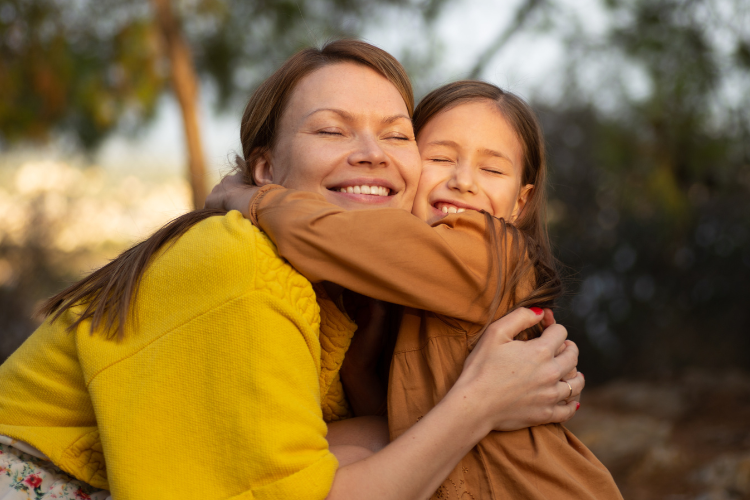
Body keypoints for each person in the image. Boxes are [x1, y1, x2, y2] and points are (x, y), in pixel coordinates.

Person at [0, 40, 582, 500]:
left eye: (396, 135)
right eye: (331, 129)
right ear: (267, 166)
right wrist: (481, 402)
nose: (372, 153)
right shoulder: (239, 263)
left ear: (524, 200)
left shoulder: (360, 295)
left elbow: (377, 434)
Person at [208, 80, 623, 499]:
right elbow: (405, 422)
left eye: (492, 169)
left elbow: (334, 236)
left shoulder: (489, 251)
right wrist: (360, 369)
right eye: (440, 158)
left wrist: (249, 197)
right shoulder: (405, 285)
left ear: (521, 202)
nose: (463, 181)